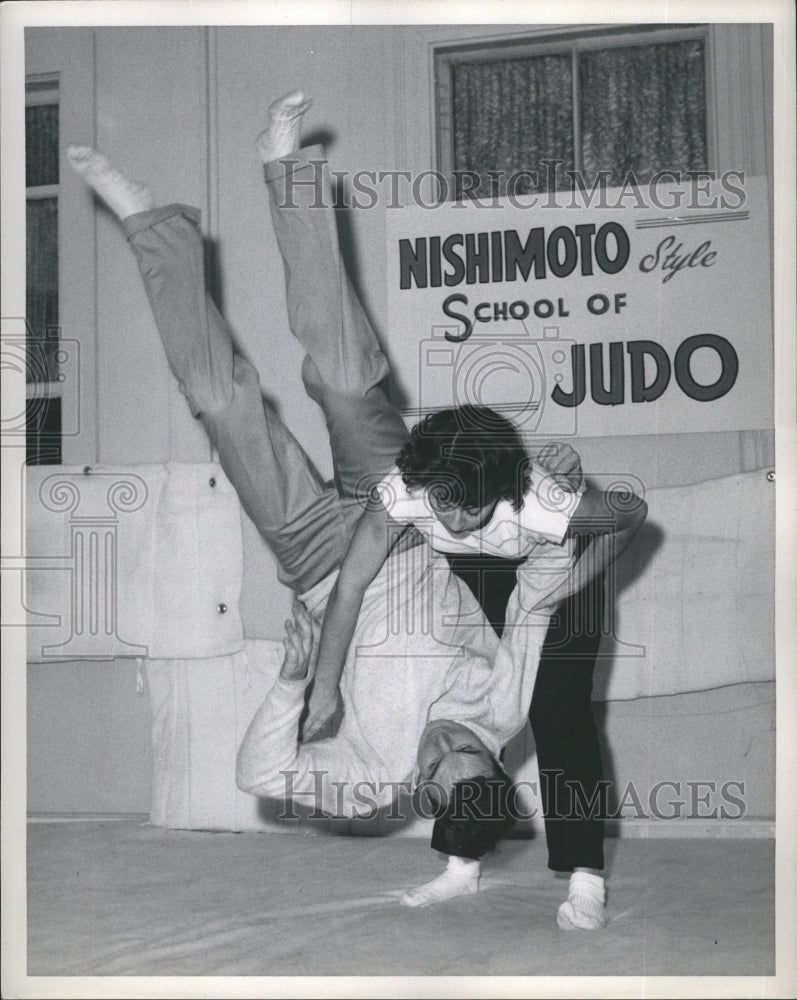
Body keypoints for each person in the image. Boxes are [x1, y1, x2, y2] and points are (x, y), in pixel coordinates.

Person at [65, 95, 581, 908]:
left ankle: (148, 224)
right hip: (399, 525)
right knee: (344, 375)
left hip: (309, 556)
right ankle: (287, 170)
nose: (445, 737)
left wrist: (292, 685)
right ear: (489, 765)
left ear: (424, 789)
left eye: (435, 759)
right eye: (462, 746)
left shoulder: (374, 781)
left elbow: (259, 773)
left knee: (219, 397)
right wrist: (561, 524)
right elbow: (541, 597)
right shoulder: (503, 709)